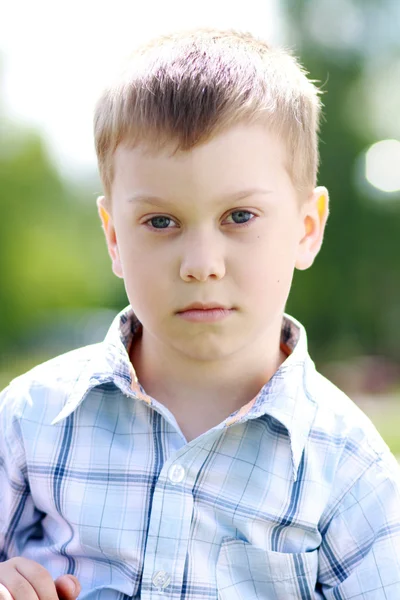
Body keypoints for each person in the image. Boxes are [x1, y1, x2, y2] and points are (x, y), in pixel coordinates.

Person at [0, 28, 399, 600]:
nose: (201, 264)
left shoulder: (352, 474)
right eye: (161, 222)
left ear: (306, 228)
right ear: (114, 237)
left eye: (239, 217)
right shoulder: (28, 422)